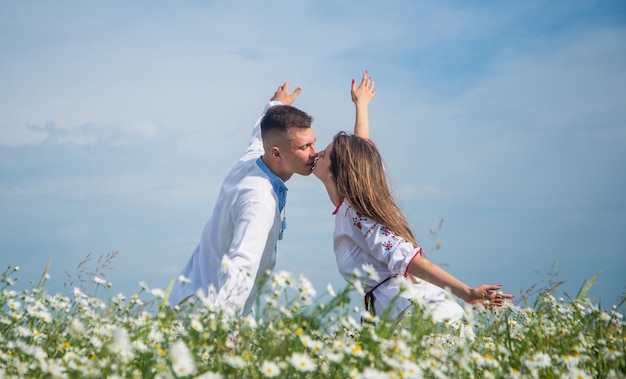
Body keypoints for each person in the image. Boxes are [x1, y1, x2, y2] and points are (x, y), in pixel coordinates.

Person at [312, 71, 513, 330]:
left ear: (334, 175)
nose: (317, 153)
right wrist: (361, 106)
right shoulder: (353, 206)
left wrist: (466, 292)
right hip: (412, 315)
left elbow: (409, 259)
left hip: (420, 317)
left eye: (324, 154)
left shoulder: (356, 215)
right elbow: (360, 153)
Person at [169, 83, 317, 315]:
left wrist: (276, 105)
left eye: (313, 142)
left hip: (191, 297)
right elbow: (243, 265)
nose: (314, 152)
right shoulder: (259, 200)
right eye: (305, 146)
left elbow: (259, 133)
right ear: (277, 153)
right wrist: (222, 332)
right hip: (206, 314)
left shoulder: (256, 158)